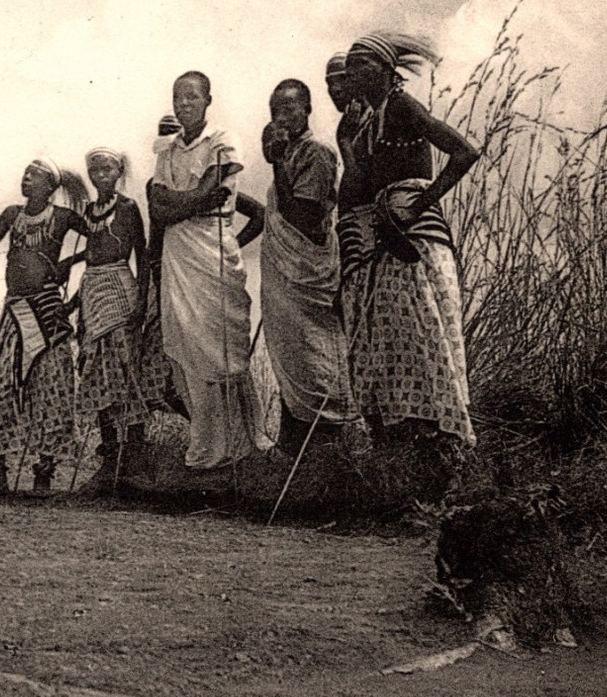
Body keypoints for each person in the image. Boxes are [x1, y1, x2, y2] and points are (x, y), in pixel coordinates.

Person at [339, 32, 480, 447]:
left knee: (424, 336)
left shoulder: (402, 106)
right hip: (389, 239)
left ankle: (443, 449)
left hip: (416, 241)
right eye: (350, 67)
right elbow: (355, 189)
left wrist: (417, 206)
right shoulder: (369, 123)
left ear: (386, 69)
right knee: (400, 345)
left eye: (361, 63)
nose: (353, 73)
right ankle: (409, 448)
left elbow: (464, 152)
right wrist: (346, 142)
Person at [150, 70, 272, 470]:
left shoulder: (223, 141)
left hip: (212, 248)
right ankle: (205, 445)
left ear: (207, 99)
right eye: (177, 97)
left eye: (191, 97)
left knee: (221, 346)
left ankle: (243, 441)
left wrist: (180, 202)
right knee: (185, 345)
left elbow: (202, 196)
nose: (183, 104)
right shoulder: (166, 150)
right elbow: (160, 207)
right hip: (178, 253)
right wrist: (195, 200)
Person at [259, 79, 360, 453]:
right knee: (291, 354)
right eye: (274, 111)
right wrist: (278, 159)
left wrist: (278, 162)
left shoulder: (315, 153)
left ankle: (329, 442)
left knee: (312, 352)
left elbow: (300, 215)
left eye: (288, 109)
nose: (280, 118)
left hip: (307, 273)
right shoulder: (288, 153)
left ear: (307, 109)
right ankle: (294, 446)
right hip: (286, 274)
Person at [0, 157, 87, 494]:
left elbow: (104, 244)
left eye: (34, 176)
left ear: (51, 187)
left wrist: (71, 263)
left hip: (48, 309)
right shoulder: (13, 214)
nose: (25, 179)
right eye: (25, 173)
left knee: (52, 387)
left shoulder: (65, 217)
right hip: (16, 310)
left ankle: (45, 470)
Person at [74, 147, 175, 478]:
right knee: (97, 368)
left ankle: (133, 453)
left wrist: (141, 302)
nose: (101, 175)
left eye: (107, 169)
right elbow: (88, 257)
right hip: (93, 289)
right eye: (95, 170)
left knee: (125, 366)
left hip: (121, 286)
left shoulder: (128, 208)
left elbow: (142, 256)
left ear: (118, 173)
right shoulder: (88, 211)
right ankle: (109, 455)